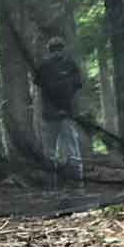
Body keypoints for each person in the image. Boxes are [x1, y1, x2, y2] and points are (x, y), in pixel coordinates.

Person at [37, 36, 84, 184]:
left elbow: (76, 87)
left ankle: (77, 180)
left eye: (59, 49)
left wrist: (69, 109)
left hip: (66, 114)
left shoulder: (71, 65)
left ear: (63, 49)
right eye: (53, 49)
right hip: (50, 116)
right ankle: (52, 183)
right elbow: (39, 87)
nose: (56, 52)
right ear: (49, 51)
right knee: (50, 151)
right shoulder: (44, 67)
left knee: (72, 149)